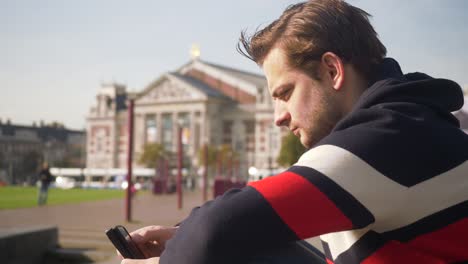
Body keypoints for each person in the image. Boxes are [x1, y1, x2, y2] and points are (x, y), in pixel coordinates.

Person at [121, 1, 468, 263]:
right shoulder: (411, 123)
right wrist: (183, 235)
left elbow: (216, 228)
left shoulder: (386, 139)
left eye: (285, 94)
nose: (278, 117)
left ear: (332, 70)